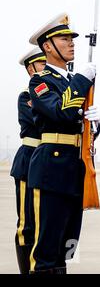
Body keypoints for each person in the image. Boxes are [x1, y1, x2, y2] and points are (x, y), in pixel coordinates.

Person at [27, 13, 99, 273]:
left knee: (68, 247)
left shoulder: (71, 83)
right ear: (48, 46)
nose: (71, 43)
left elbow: (78, 123)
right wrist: (82, 80)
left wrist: (94, 122)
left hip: (74, 168)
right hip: (52, 169)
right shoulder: (40, 81)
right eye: (64, 38)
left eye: (72, 39)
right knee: (47, 249)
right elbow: (61, 112)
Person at [10, 47, 46, 274]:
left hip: (48, 164)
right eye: (41, 63)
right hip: (29, 160)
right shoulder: (26, 96)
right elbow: (37, 122)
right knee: (27, 226)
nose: (45, 66)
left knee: (46, 225)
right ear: (30, 68)